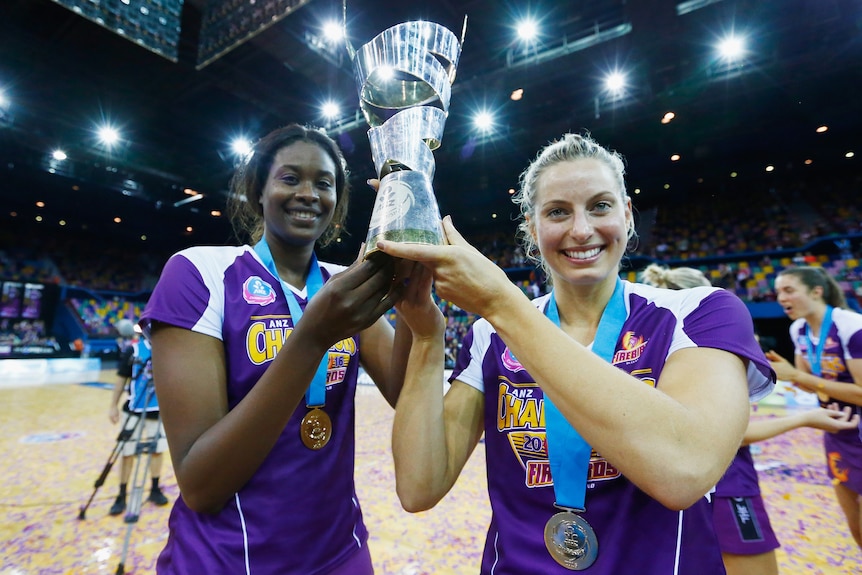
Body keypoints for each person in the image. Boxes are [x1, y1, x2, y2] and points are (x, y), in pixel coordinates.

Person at [380, 132, 775, 574]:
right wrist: (428, 337)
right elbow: (418, 487)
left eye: (600, 206)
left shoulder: (701, 312)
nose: (581, 229)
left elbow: (683, 470)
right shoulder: (490, 336)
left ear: (627, 214)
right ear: (532, 227)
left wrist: (501, 303)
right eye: (557, 212)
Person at [140, 124, 419, 574]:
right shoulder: (199, 273)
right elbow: (200, 485)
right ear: (258, 191)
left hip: (341, 552)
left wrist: (409, 295)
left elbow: (408, 394)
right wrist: (311, 337)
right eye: (290, 178)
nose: (309, 193)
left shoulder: (342, 285)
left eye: (324, 183)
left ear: (338, 201)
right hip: (228, 558)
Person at [640, 263, 859, 575]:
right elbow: (730, 434)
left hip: (677, 486)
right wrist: (805, 417)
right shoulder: (709, 352)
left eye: (787, 289)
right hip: (728, 484)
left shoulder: (651, 350)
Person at [765, 265, 862, 550]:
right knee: (853, 522)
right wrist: (784, 373)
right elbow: (809, 384)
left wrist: (796, 376)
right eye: (778, 292)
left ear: (816, 291)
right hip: (837, 429)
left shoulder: (851, 327)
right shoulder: (799, 330)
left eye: (789, 290)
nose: (781, 298)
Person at [107, 318, 169, 516]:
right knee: (127, 453)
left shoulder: (169, 350)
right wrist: (113, 406)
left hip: (158, 410)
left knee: (157, 451)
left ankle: (155, 488)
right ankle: (122, 494)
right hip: (133, 409)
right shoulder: (132, 351)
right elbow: (120, 378)